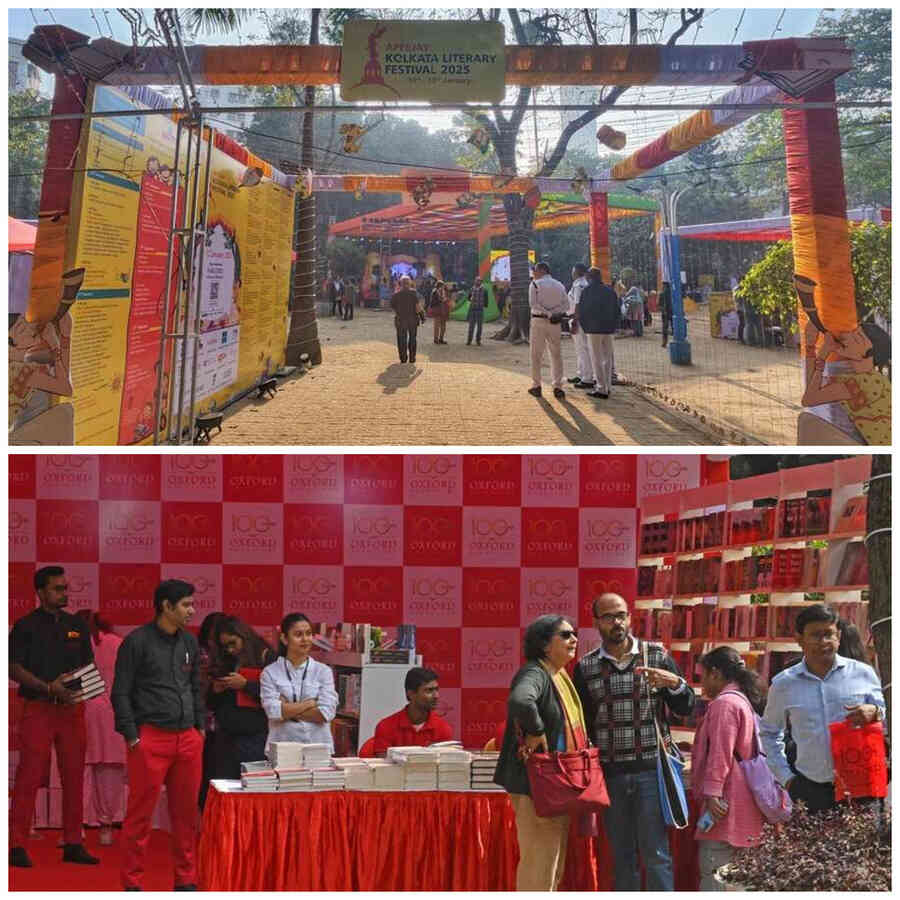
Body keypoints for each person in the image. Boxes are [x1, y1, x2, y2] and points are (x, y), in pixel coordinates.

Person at [573, 592, 694, 892]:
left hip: (651, 772)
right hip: (611, 775)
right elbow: (583, 725)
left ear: (630, 617)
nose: (617, 622)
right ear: (596, 622)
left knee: (656, 854)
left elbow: (687, 707)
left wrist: (674, 684)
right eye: (609, 617)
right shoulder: (586, 668)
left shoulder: (657, 655)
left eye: (622, 615)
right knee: (622, 856)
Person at [112, 579, 205, 891]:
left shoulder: (190, 643)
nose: (192, 611)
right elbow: (120, 692)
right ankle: (133, 883)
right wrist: (131, 735)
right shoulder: (136, 642)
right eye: (186, 605)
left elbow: (195, 688)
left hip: (188, 739)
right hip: (149, 738)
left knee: (186, 816)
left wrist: (199, 728)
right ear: (166, 606)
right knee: (140, 817)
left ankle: (186, 879)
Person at [9, 566, 99, 869]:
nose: (64, 593)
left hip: (71, 708)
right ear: (41, 592)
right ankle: (16, 843)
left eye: (65, 587)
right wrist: (48, 686)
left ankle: (73, 841)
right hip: (38, 707)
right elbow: (13, 667)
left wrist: (73, 686)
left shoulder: (77, 625)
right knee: (29, 775)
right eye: (57, 588)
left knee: (74, 775)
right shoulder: (25, 626)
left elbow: (88, 664)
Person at [759, 603, 884, 814]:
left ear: (839, 636)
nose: (824, 642)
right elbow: (770, 734)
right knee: (814, 848)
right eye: (816, 635)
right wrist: (787, 780)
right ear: (800, 639)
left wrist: (876, 713)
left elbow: (888, 717)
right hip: (811, 790)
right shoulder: (784, 684)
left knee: (865, 847)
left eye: (829, 634)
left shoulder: (863, 673)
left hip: (863, 787)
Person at [494, 615, 585, 891]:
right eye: (566, 635)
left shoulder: (557, 674)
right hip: (535, 783)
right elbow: (521, 700)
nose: (574, 640)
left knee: (551, 863)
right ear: (545, 646)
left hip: (555, 782)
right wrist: (536, 730)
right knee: (540, 862)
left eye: (575, 634)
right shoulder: (535, 673)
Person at [691, 646, 768, 891]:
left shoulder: (724, 704)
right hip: (743, 804)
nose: (702, 682)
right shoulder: (743, 701)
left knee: (716, 876)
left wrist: (712, 793)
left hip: (724, 806)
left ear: (715, 673)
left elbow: (720, 754)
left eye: (703, 675)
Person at [75, 610, 126, 847]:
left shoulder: (74, 643)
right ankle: (106, 826)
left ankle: (76, 827)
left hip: (79, 710)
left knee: (77, 772)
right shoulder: (118, 643)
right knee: (110, 773)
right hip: (112, 714)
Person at [260, 613, 338, 753]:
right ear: (284, 638)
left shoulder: (323, 671)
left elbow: (326, 713)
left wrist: (286, 708)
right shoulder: (270, 672)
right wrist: (309, 703)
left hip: (318, 747)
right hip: (281, 747)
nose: (305, 639)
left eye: (308, 634)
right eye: (298, 634)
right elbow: (273, 711)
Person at [208, 617, 277, 776]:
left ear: (244, 636)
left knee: (251, 786)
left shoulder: (266, 656)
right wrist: (215, 691)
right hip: (226, 736)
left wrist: (246, 685)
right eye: (225, 646)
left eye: (233, 643)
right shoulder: (224, 660)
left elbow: (279, 696)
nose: (230, 650)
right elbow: (211, 703)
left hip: (254, 736)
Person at [371, 667, 453, 755]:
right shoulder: (385, 727)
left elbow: (443, 766)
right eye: (429, 690)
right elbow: (383, 767)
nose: (436, 696)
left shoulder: (443, 728)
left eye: (437, 689)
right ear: (410, 694)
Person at [528, 261, 569, 399]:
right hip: (555, 323)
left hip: (538, 321)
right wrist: (554, 313)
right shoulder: (560, 285)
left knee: (536, 354)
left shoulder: (534, 284)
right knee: (556, 354)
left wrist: (547, 313)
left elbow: (533, 304)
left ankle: (536, 386)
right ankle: (557, 386)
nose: (533, 273)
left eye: (534, 270)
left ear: (541, 270)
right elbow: (566, 305)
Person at [577, 267, 619, 400]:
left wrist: (586, 327)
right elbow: (617, 310)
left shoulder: (586, 291)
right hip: (608, 328)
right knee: (608, 358)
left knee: (596, 358)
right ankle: (607, 387)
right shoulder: (610, 291)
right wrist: (613, 326)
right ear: (600, 277)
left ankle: (601, 388)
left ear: (589, 278)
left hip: (593, 329)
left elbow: (582, 311)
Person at [567, 263, 594, 390]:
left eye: (573, 270)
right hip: (583, 318)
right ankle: (581, 374)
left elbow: (578, 304)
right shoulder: (583, 283)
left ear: (577, 271)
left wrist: (574, 321)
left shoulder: (579, 285)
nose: (572, 273)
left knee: (583, 349)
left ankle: (587, 378)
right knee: (581, 349)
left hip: (578, 318)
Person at [389, 275, 424, 365]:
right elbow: (418, 307)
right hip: (412, 319)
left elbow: (392, 306)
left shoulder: (396, 294)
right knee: (412, 339)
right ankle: (412, 358)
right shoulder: (413, 293)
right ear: (410, 283)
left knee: (401, 339)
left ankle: (403, 358)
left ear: (400, 284)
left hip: (400, 320)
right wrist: (422, 316)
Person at [467, 276, 488, 346]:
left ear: (481, 282)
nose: (478, 282)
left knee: (479, 326)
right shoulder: (471, 289)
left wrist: (484, 305)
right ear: (475, 281)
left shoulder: (484, 290)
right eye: (477, 280)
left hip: (480, 310)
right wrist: (471, 300)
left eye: (479, 281)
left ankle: (478, 340)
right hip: (472, 309)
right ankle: (469, 340)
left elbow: (486, 299)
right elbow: (468, 298)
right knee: (471, 326)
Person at [430, 280, 450, 344]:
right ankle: (436, 339)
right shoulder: (435, 291)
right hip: (438, 309)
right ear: (440, 285)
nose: (443, 287)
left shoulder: (442, 291)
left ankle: (441, 339)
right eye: (442, 285)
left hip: (443, 309)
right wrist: (444, 299)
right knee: (437, 325)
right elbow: (437, 300)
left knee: (442, 325)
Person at [659, 281, 673, 349]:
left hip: (665, 313)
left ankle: (664, 343)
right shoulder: (673, 293)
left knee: (665, 328)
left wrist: (663, 310)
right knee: (674, 327)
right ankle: (675, 340)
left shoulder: (661, 294)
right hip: (672, 312)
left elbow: (659, 304)